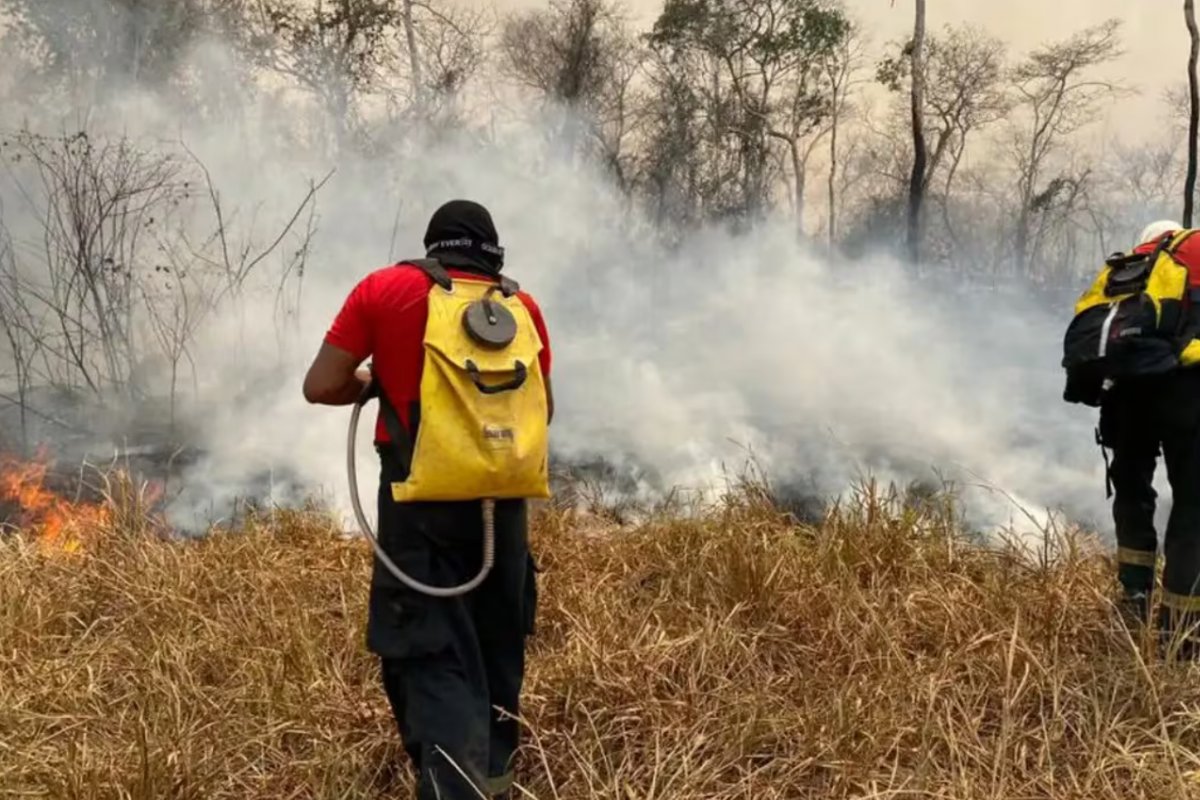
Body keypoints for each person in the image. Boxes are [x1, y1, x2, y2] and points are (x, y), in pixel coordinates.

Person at [302, 199, 553, 799]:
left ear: (433, 244)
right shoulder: (522, 307)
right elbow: (544, 411)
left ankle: (453, 789)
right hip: (504, 509)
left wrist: (376, 383)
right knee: (498, 645)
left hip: (420, 508)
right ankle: (494, 780)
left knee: (431, 653)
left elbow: (320, 385)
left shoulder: (385, 291)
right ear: (492, 252)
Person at [1097, 219, 1200, 655]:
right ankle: (1180, 631)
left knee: (1132, 489)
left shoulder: (1127, 265)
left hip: (1124, 391)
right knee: (1193, 503)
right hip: (1184, 388)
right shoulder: (1193, 248)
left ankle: (1134, 596)